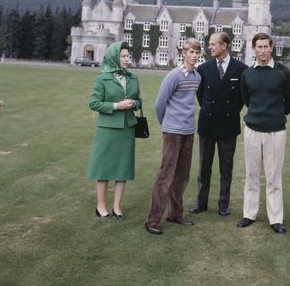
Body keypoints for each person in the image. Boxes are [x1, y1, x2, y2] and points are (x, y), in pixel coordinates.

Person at [237, 32, 290, 234]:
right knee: (251, 175)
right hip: (252, 129)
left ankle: (275, 218)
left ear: (271, 48)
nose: (262, 50)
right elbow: (246, 100)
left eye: (265, 47)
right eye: (258, 47)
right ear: (253, 49)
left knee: (273, 177)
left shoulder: (283, 73)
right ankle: (249, 214)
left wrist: (275, 115)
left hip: (276, 131)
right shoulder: (247, 74)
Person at [145, 38, 201, 235]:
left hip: (188, 132)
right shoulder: (173, 76)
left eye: (197, 52)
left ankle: (175, 213)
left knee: (182, 177)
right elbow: (160, 104)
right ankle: (152, 220)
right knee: (165, 176)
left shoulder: (197, 77)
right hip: (172, 132)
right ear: (183, 53)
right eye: (191, 52)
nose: (194, 56)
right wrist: (167, 125)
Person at [189, 32, 248, 216]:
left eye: (213, 44)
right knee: (204, 167)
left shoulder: (241, 69)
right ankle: (201, 202)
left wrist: (228, 113)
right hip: (207, 123)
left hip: (229, 125)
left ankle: (223, 204)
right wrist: (209, 110)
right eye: (209, 44)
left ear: (224, 46)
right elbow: (201, 96)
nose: (209, 47)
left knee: (226, 168)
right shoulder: (204, 68)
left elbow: (241, 98)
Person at [87, 41, 142, 219]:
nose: (127, 59)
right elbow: (93, 103)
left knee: (122, 169)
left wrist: (134, 103)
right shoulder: (102, 78)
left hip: (127, 129)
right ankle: (100, 206)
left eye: (128, 55)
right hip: (107, 130)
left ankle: (117, 207)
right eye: (123, 56)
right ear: (114, 57)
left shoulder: (133, 78)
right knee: (103, 169)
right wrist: (116, 105)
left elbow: (139, 100)